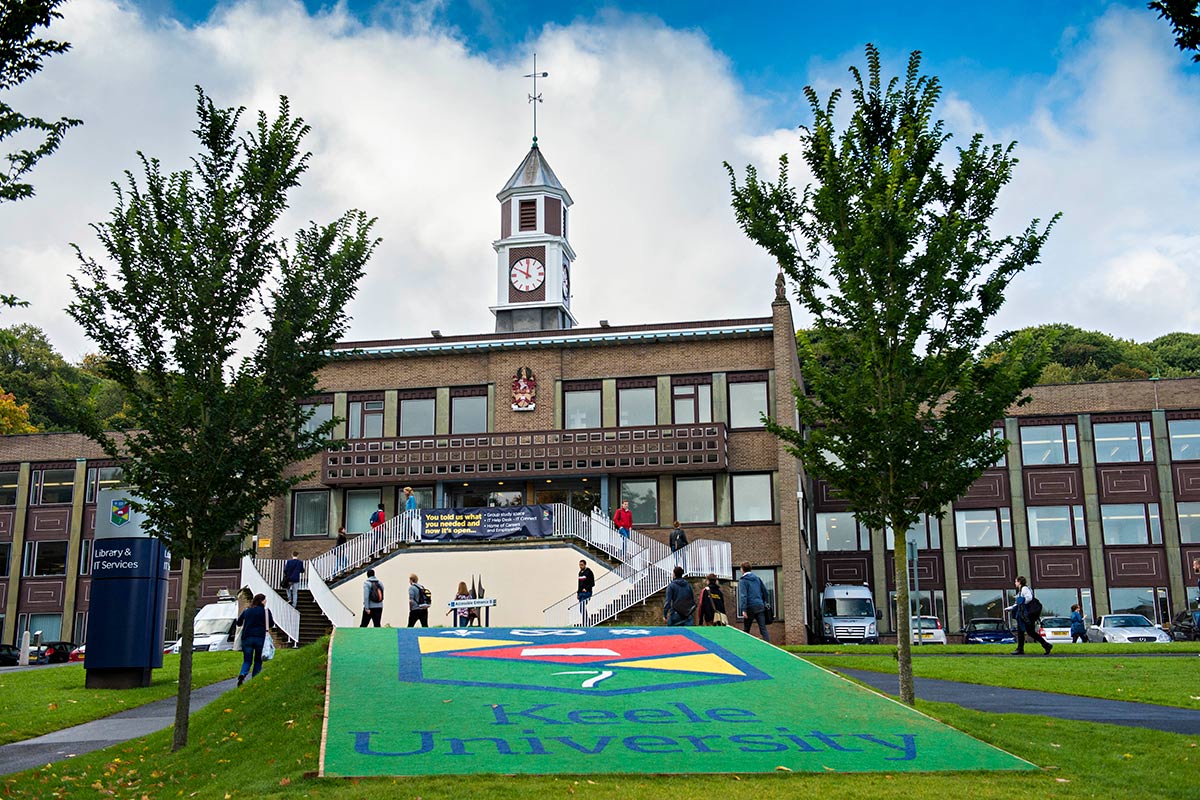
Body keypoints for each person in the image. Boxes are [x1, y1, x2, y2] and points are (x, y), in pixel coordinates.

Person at [1006, 575, 1052, 655]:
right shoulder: (1023, 590)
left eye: (1016, 581)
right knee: (1030, 632)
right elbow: (1018, 603)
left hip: (1025, 614)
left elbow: (1029, 598)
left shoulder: (1024, 589)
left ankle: (1020, 649)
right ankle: (1046, 645)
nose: (1015, 583)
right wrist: (1011, 608)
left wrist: (1022, 603)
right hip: (1027, 614)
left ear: (1019, 582)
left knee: (1021, 630)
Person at [234, 593, 272, 686]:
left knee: (247, 660)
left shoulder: (247, 610)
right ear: (262, 601)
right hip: (260, 638)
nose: (266, 602)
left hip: (247, 638)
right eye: (265, 600)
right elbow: (271, 624)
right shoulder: (266, 612)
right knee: (258, 660)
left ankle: (243, 673)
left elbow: (238, 623)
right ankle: (255, 679)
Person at [738, 562, 771, 642]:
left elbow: (743, 596)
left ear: (742, 569)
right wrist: (763, 601)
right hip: (760, 606)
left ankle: (745, 646)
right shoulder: (757, 578)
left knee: (746, 629)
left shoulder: (743, 580)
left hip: (750, 607)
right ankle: (768, 645)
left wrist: (743, 610)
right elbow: (766, 592)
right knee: (763, 629)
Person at [577, 559, 596, 625]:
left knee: (582, 607)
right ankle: (587, 620)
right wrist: (578, 593)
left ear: (585, 565)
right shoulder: (580, 573)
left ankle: (585, 622)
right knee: (581, 608)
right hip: (581, 593)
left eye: (582, 565)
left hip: (587, 593)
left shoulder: (589, 572)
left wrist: (586, 589)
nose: (580, 566)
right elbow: (579, 584)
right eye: (579, 565)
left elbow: (592, 583)